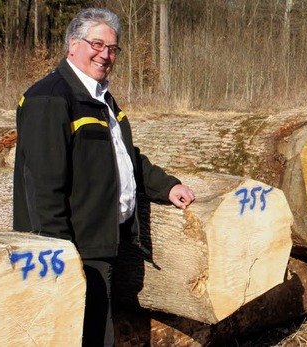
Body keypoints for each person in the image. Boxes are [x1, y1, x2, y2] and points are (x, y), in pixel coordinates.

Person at [12, 8, 195, 346]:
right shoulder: (51, 97)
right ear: (72, 45)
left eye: (112, 48)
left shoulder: (102, 99)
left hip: (101, 242)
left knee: (98, 331)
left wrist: (166, 186)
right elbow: (42, 184)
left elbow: (126, 157)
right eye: (97, 44)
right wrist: (58, 253)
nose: (105, 55)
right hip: (73, 247)